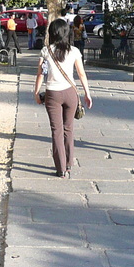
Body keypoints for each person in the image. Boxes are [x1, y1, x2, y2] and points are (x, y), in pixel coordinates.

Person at [32, 18, 92, 178]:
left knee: (56, 130)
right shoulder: (74, 51)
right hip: (70, 93)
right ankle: (69, 163)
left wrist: (36, 92)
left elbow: (40, 74)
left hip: (53, 93)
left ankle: (60, 168)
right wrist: (87, 93)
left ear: (51, 33)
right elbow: (81, 73)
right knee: (68, 129)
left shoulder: (46, 51)